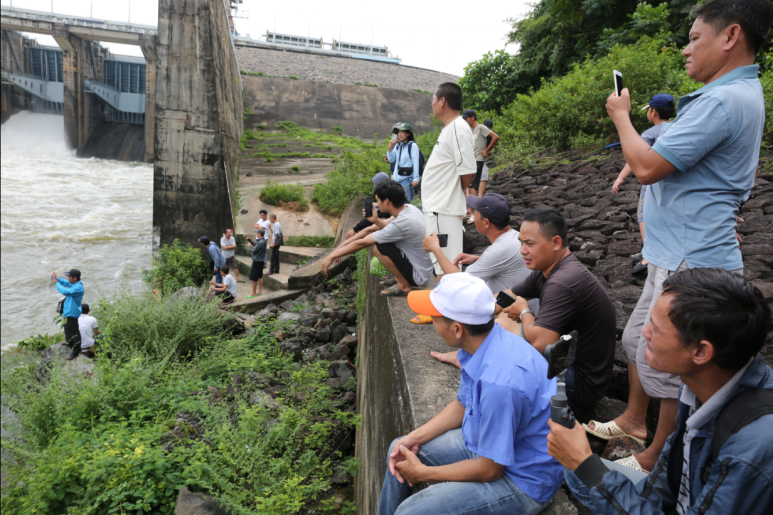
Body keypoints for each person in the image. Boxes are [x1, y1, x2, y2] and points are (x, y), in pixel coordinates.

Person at [592, 0, 772, 474]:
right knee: (639, 342)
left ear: (731, 36)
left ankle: (656, 460)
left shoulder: (723, 100)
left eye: (695, 38)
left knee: (675, 365)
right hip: (676, 252)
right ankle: (634, 420)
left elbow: (648, 167)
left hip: (690, 260)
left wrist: (621, 115)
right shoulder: (738, 95)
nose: (686, 49)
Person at [552, 268, 773, 515]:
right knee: (573, 469)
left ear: (701, 352)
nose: (644, 333)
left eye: (656, 328)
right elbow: (663, 484)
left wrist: (588, 466)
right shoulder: (695, 388)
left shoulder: (751, 448)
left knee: (583, 468)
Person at [376, 273, 562, 515]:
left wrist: (424, 473)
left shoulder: (500, 383)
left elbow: (490, 470)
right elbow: (463, 404)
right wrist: (414, 437)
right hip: (486, 444)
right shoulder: (486, 341)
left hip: (521, 478)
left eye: (435, 317)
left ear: (456, 329)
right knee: (398, 449)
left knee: (409, 512)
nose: (431, 322)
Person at [430, 208, 616, 411]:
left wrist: (524, 311)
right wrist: (461, 311)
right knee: (497, 325)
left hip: (579, 381)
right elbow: (504, 298)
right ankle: (466, 359)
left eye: (529, 244)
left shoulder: (563, 282)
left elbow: (539, 345)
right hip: (563, 357)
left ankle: (474, 395)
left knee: (497, 346)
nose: (522, 251)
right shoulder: (547, 269)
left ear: (556, 243)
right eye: (521, 242)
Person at [420, 193, 536, 326]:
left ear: (486, 222)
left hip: (518, 319)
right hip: (529, 311)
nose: (472, 216)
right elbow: (505, 262)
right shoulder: (514, 236)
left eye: (475, 213)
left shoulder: (497, 251)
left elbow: (461, 283)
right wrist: (478, 259)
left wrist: (435, 249)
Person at [320, 179, 433, 295]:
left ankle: (404, 285)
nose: (376, 204)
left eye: (378, 200)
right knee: (383, 242)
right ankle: (398, 278)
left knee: (380, 247)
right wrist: (375, 220)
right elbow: (387, 229)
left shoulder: (401, 223)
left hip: (418, 276)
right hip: (423, 269)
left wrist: (332, 255)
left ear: (387, 201)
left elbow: (362, 243)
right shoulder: (410, 209)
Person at [610, 93, 674, 276]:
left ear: (653, 112)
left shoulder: (649, 134)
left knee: (643, 216)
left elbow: (635, 159)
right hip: (673, 183)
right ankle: (651, 252)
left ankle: (649, 257)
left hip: (653, 184)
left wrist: (620, 178)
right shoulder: (678, 128)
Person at [421, 83, 477, 279]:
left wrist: (457, 190)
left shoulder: (457, 129)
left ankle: (445, 310)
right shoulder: (451, 128)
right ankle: (444, 308)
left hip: (442, 208)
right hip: (439, 208)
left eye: (433, 99)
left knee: (446, 268)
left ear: (442, 101)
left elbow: (469, 171)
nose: (432, 104)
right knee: (443, 266)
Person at [461, 110, 499, 199]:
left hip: (478, 159)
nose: (465, 121)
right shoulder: (471, 131)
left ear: (472, 118)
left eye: (466, 119)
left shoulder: (481, 127)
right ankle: (473, 208)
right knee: (469, 185)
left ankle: (476, 208)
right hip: (472, 160)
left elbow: (495, 137)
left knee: (472, 186)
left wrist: (486, 150)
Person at [344, 172, 392, 240]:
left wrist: (356, 228)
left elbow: (380, 215)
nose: (374, 187)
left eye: (375, 185)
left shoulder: (387, 199)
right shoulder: (390, 194)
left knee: (382, 219)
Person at [52, 269, 84, 360]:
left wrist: (56, 283)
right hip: (67, 312)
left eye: (69, 276)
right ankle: (69, 342)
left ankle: (76, 351)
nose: (68, 278)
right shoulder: (73, 283)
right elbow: (63, 282)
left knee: (74, 332)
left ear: (75, 278)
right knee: (67, 328)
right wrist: (55, 278)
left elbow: (65, 292)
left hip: (72, 313)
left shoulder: (78, 287)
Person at [387, 123, 421, 202]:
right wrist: (389, 148)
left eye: (402, 132)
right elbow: (391, 159)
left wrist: (416, 179)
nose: (399, 134)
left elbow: (416, 163)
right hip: (396, 180)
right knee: (397, 204)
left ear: (408, 133)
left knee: (406, 204)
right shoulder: (398, 146)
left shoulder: (412, 146)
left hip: (407, 179)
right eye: (398, 132)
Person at [246, 229, 267, 298]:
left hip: (256, 262)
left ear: (259, 234)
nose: (256, 234)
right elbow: (256, 244)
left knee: (254, 278)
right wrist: (249, 240)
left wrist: (249, 246)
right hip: (261, 262)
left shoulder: (260, 242)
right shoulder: (263, 241)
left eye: (257, 233)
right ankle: (260, 291)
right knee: (260, 277)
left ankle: (254, 294)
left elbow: (254, 251)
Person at [479, 119, 496, 198]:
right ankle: (479, 197)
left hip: (478, 158)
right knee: (484, 173)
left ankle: (479, 196)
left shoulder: (487, 135)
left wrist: (486, 151)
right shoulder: (478, 132)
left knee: (483, 173)